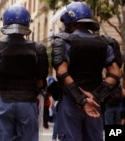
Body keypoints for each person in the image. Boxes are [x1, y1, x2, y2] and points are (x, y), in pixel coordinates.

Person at [51, 2, 122, 141]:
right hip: (95, 104)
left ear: (70, 21)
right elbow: (115, 73)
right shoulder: (106, 43)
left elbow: (61, 71)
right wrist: (94, 98)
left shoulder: (64, 41)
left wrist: (82, 100)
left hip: (70, 102)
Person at [0, 4, 48, 141]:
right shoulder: (38, 49)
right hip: (28, 103)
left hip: (4, 102)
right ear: (27, 22)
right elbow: (41, 81)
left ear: (5, 21)